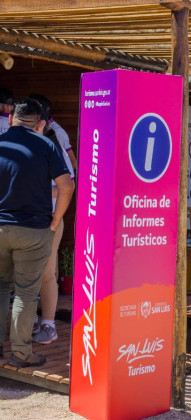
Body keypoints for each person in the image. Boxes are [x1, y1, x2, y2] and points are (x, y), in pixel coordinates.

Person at [0, 98, 74, 367]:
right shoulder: (47, 145)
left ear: (11, 119)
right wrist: (55, 221)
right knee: (26, 293)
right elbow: (67, 186)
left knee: (0, 287)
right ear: (40, 123)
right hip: (33, 230)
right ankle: (20, 352)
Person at [26, 94, 76, 344]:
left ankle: (48, 324)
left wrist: (55, 218)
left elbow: (68, 184)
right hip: (23, 220)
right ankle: (29, 322)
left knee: (45, 273)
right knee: (22, 274)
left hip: (49, 218)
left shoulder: (53, 142)